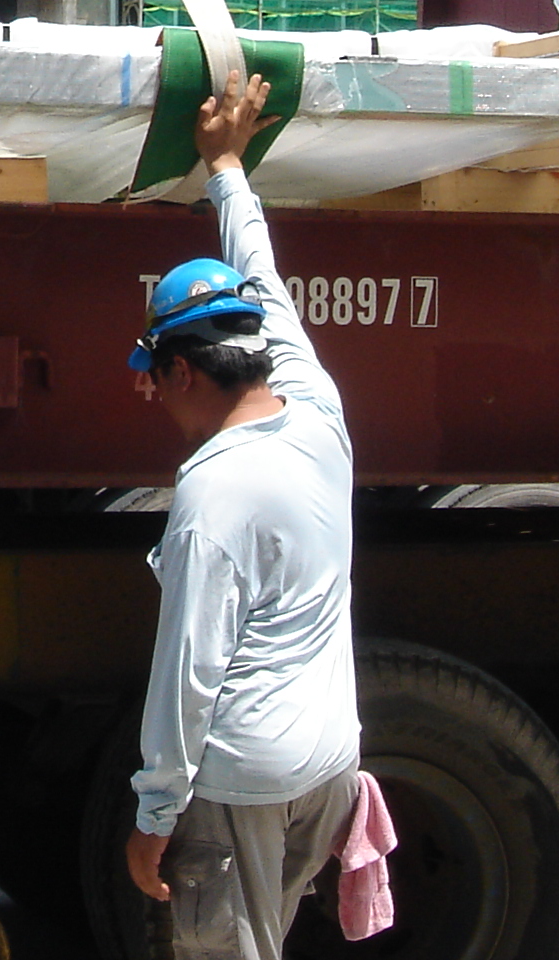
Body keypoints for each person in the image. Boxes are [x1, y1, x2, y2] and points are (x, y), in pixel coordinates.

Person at [123, 72, 372, 960]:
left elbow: (188, 674)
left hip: (243, 782)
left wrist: (156, 812)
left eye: (154, 379)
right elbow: (263, 280)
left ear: (185, 372)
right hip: (328, 766)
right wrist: (225, 165)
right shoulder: (314, 402)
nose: (153, 398)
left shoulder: (211, 494)